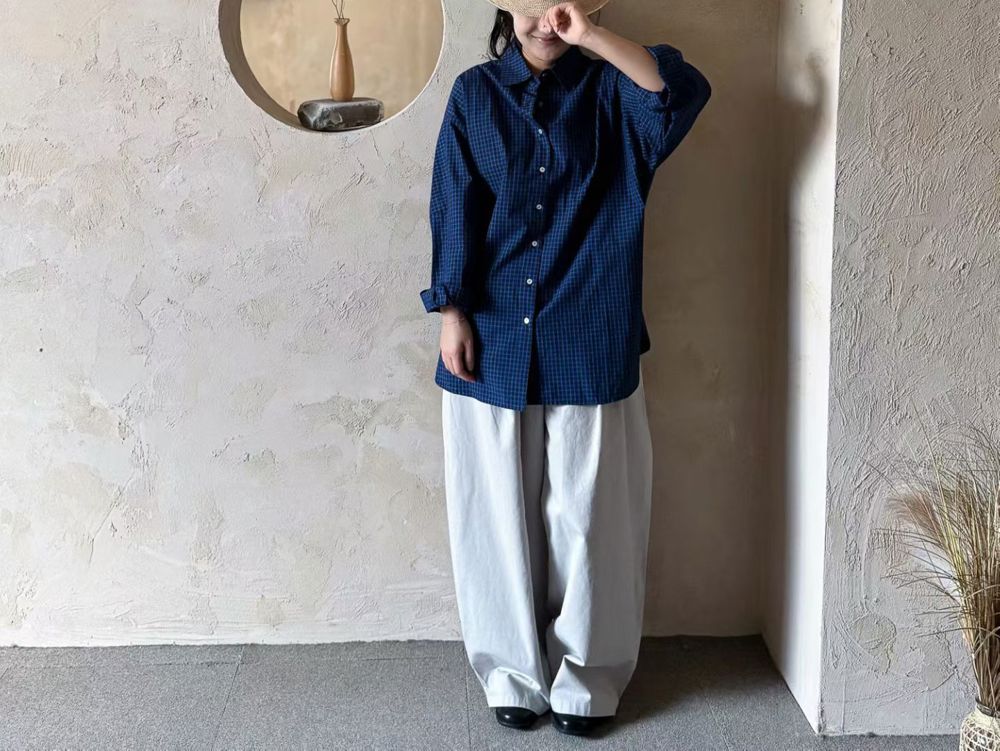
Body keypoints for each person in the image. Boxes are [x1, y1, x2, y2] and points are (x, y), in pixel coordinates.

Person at [419, 0, 711, 737]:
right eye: (532, 3)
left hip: (591, 328)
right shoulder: (475, 95)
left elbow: (677, 92)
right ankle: (512, 673)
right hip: (491, 333)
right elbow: (455, 202)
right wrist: (451, 310)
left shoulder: (614, 89)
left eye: (564, 3)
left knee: (592, 516)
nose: (547, 19)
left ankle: (588, 678)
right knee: (495, 514)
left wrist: (590, 35)